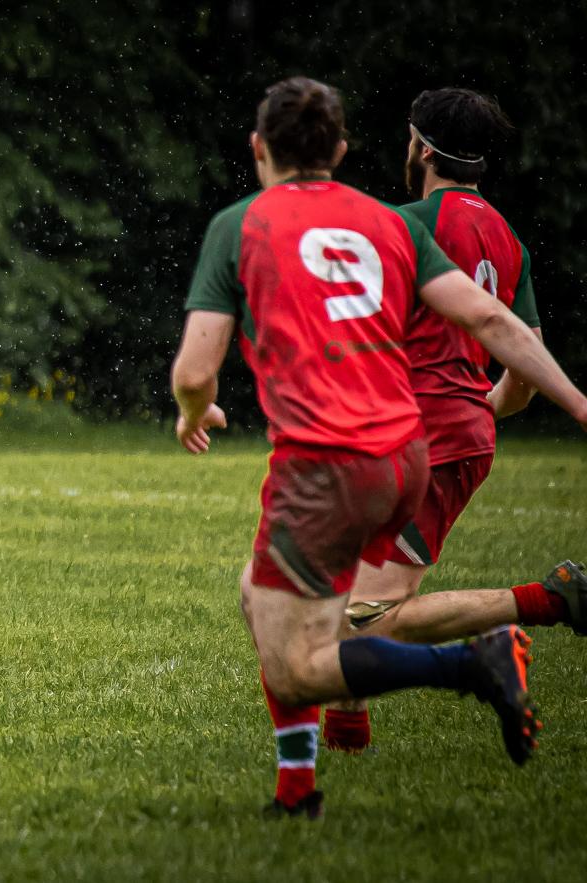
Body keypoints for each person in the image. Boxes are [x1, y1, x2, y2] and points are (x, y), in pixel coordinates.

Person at [169, 77, 587, 818]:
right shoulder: (390, 227)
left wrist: (192, 411)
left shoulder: (245, 224)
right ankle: (302, 783)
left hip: (332, 455)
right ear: (338, 148)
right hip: (407, 451)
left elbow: (197, 371)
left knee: (315, 650)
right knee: (263, 594)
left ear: (259, 147)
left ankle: (478, 661)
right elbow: (495, 323)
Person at [321, 88, 581, 753]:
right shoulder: (509, 241)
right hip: (446, 436)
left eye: (410, 139)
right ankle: (347, 731)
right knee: (338, 594)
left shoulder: (403, 223)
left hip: (416, 439)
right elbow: (519, 377)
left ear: (424, 148)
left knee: (363, 616)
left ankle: (548, 602)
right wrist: (475, 414)